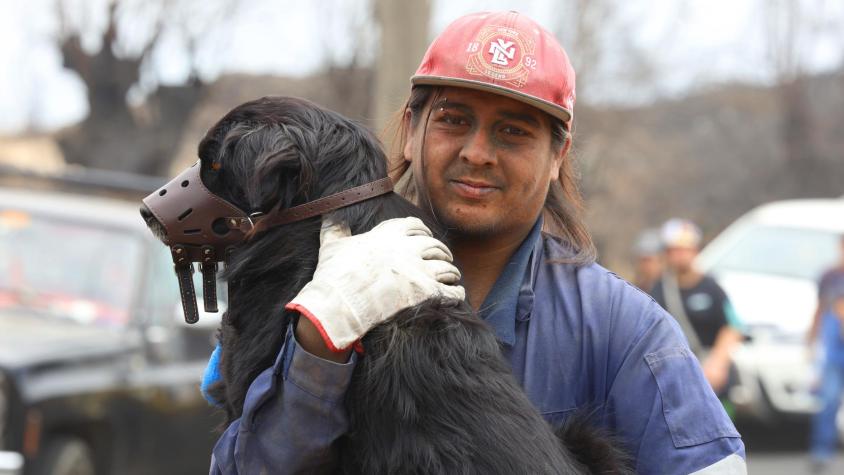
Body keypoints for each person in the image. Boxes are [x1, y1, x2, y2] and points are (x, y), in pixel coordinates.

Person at [210, 11, 745, 474]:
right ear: (411, 126)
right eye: (452, 120)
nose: (477, 152)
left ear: (559, 155)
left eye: (513, 131)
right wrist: (318, 347)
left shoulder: (621, 329)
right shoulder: (308, 278)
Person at [649, 218, 745, 404]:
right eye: (675, 250)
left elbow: (733, 327)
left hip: (712, 376)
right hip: (676, 377)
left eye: (686, 249)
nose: (681, 255)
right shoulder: (659, 291)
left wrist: (718, 363)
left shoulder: (711, 288)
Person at [806, 235, 844, 472]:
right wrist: (811, 339)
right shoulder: (829, 276)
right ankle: (821, 451)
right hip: (835, 351)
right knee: (828, 400)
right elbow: (820, 308)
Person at [632, 227, 663, 292]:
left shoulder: (671, 292)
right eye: (642, 261)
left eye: (648, 260)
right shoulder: (632, 290)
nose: (646, 266)